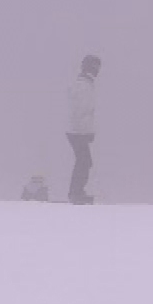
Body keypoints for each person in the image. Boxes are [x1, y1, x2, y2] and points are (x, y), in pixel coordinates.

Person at [67, 55, 100, 204]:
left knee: (84, 161)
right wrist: (85, 132)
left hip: (77, 130)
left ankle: (77, 192)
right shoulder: (83, 86)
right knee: (84, 161)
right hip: (77, 131)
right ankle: (76, 193)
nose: (97, 70)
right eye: (96, 66)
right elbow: (81, 111)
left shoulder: (86, 84)